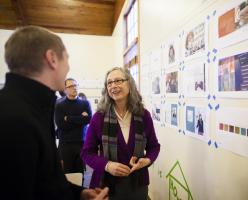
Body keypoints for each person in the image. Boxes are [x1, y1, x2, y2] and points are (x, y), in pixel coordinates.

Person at [0, 25, 108, 200]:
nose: (68, 67)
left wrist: (78, 194)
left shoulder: (36, 107)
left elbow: (44, 180)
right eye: (67, 58)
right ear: (52, 59)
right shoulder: (13, 118)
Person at [81, 67, 160, 199]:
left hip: (138, 183)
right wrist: (107, 165)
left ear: (130, 84)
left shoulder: (143, 115)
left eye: (118, 81)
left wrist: (146, 160)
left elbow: (154, 146)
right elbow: (87, 153)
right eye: (109, 83)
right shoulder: (99, 117)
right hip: (107, 185)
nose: (113, 86)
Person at [55, 78, 92, 175]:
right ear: (65, 89)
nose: (74, 88)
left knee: (80, 173)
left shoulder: (85, 103)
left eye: (76, 85)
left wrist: (69, 118)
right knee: (68, 173)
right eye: (71, 86)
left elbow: (88, 120)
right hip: (66, 144)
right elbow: (61, 125)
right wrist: (80, 119)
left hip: (81, 143)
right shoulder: (59, 105)